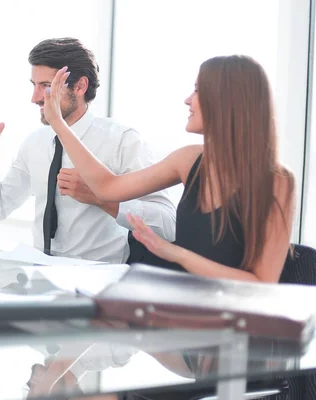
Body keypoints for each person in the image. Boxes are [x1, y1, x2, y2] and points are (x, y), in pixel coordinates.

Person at [42, 55, 295, 282]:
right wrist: (59, 124)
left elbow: (262, 284)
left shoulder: (278, 181)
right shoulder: (189, 160)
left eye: (198, 90)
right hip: (180, 307)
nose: (188, 100)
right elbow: (107, 188)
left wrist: (178, 255)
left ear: (225, 100)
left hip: (230, 322)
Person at [0, 38, 176, 263]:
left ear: (80, 86)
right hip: (41, 276)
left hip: (100, 279)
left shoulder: (122, 141)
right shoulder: (35, 142)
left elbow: (168, 226)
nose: (34, 98)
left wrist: (102, 197)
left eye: (46, 87)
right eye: (33, 85)